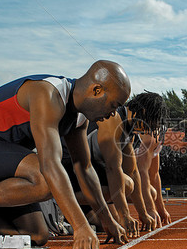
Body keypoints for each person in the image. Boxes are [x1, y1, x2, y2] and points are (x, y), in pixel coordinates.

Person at [0, 60, 130, 249]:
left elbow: (84, 169)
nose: (113, 114)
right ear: (96, 90)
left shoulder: (79, 118)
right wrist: (80, 226)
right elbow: (50, 165)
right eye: (114, 105)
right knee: (44, 179)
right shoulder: (48, 93)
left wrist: (108, 220)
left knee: (34, 236)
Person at [64, 91, 168, 236]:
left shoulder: (130, 128)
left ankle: (75, 209)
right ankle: (60, 201)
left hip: (87, 169)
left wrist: (143, 213)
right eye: (151, 122)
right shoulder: (114, 118)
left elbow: (132, 171)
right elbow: (113, 169)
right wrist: (125, 215)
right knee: (126, 184)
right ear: (143, 112)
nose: (150, 129)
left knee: (102, 224)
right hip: (68, 164)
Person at [135, 120, 187, 227]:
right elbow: (142, 172)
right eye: (185, 147)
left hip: (117, 173)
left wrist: (161, 210)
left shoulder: (158, 143)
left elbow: (154, 176)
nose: (183, 151)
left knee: (152, 192)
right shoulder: (154, 135)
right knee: (151, 193)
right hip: (108, 169)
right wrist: (150, 209)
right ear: (180, 135)